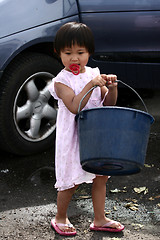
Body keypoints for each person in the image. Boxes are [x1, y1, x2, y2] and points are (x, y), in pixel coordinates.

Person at [49, 22, 124, 236]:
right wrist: (90, 85)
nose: (74, 58)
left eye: (80, 52)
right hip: (73, 138)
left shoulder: (93, 73)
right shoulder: (60, 81)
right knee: (70, 182)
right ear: (58, 53)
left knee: (100, 177)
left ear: (89, 52)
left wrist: (112, 88)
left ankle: (99, 218)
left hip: (95, 135)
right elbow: (74, 106)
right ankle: (60, 217)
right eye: (68, 52)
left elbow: (108, 103)